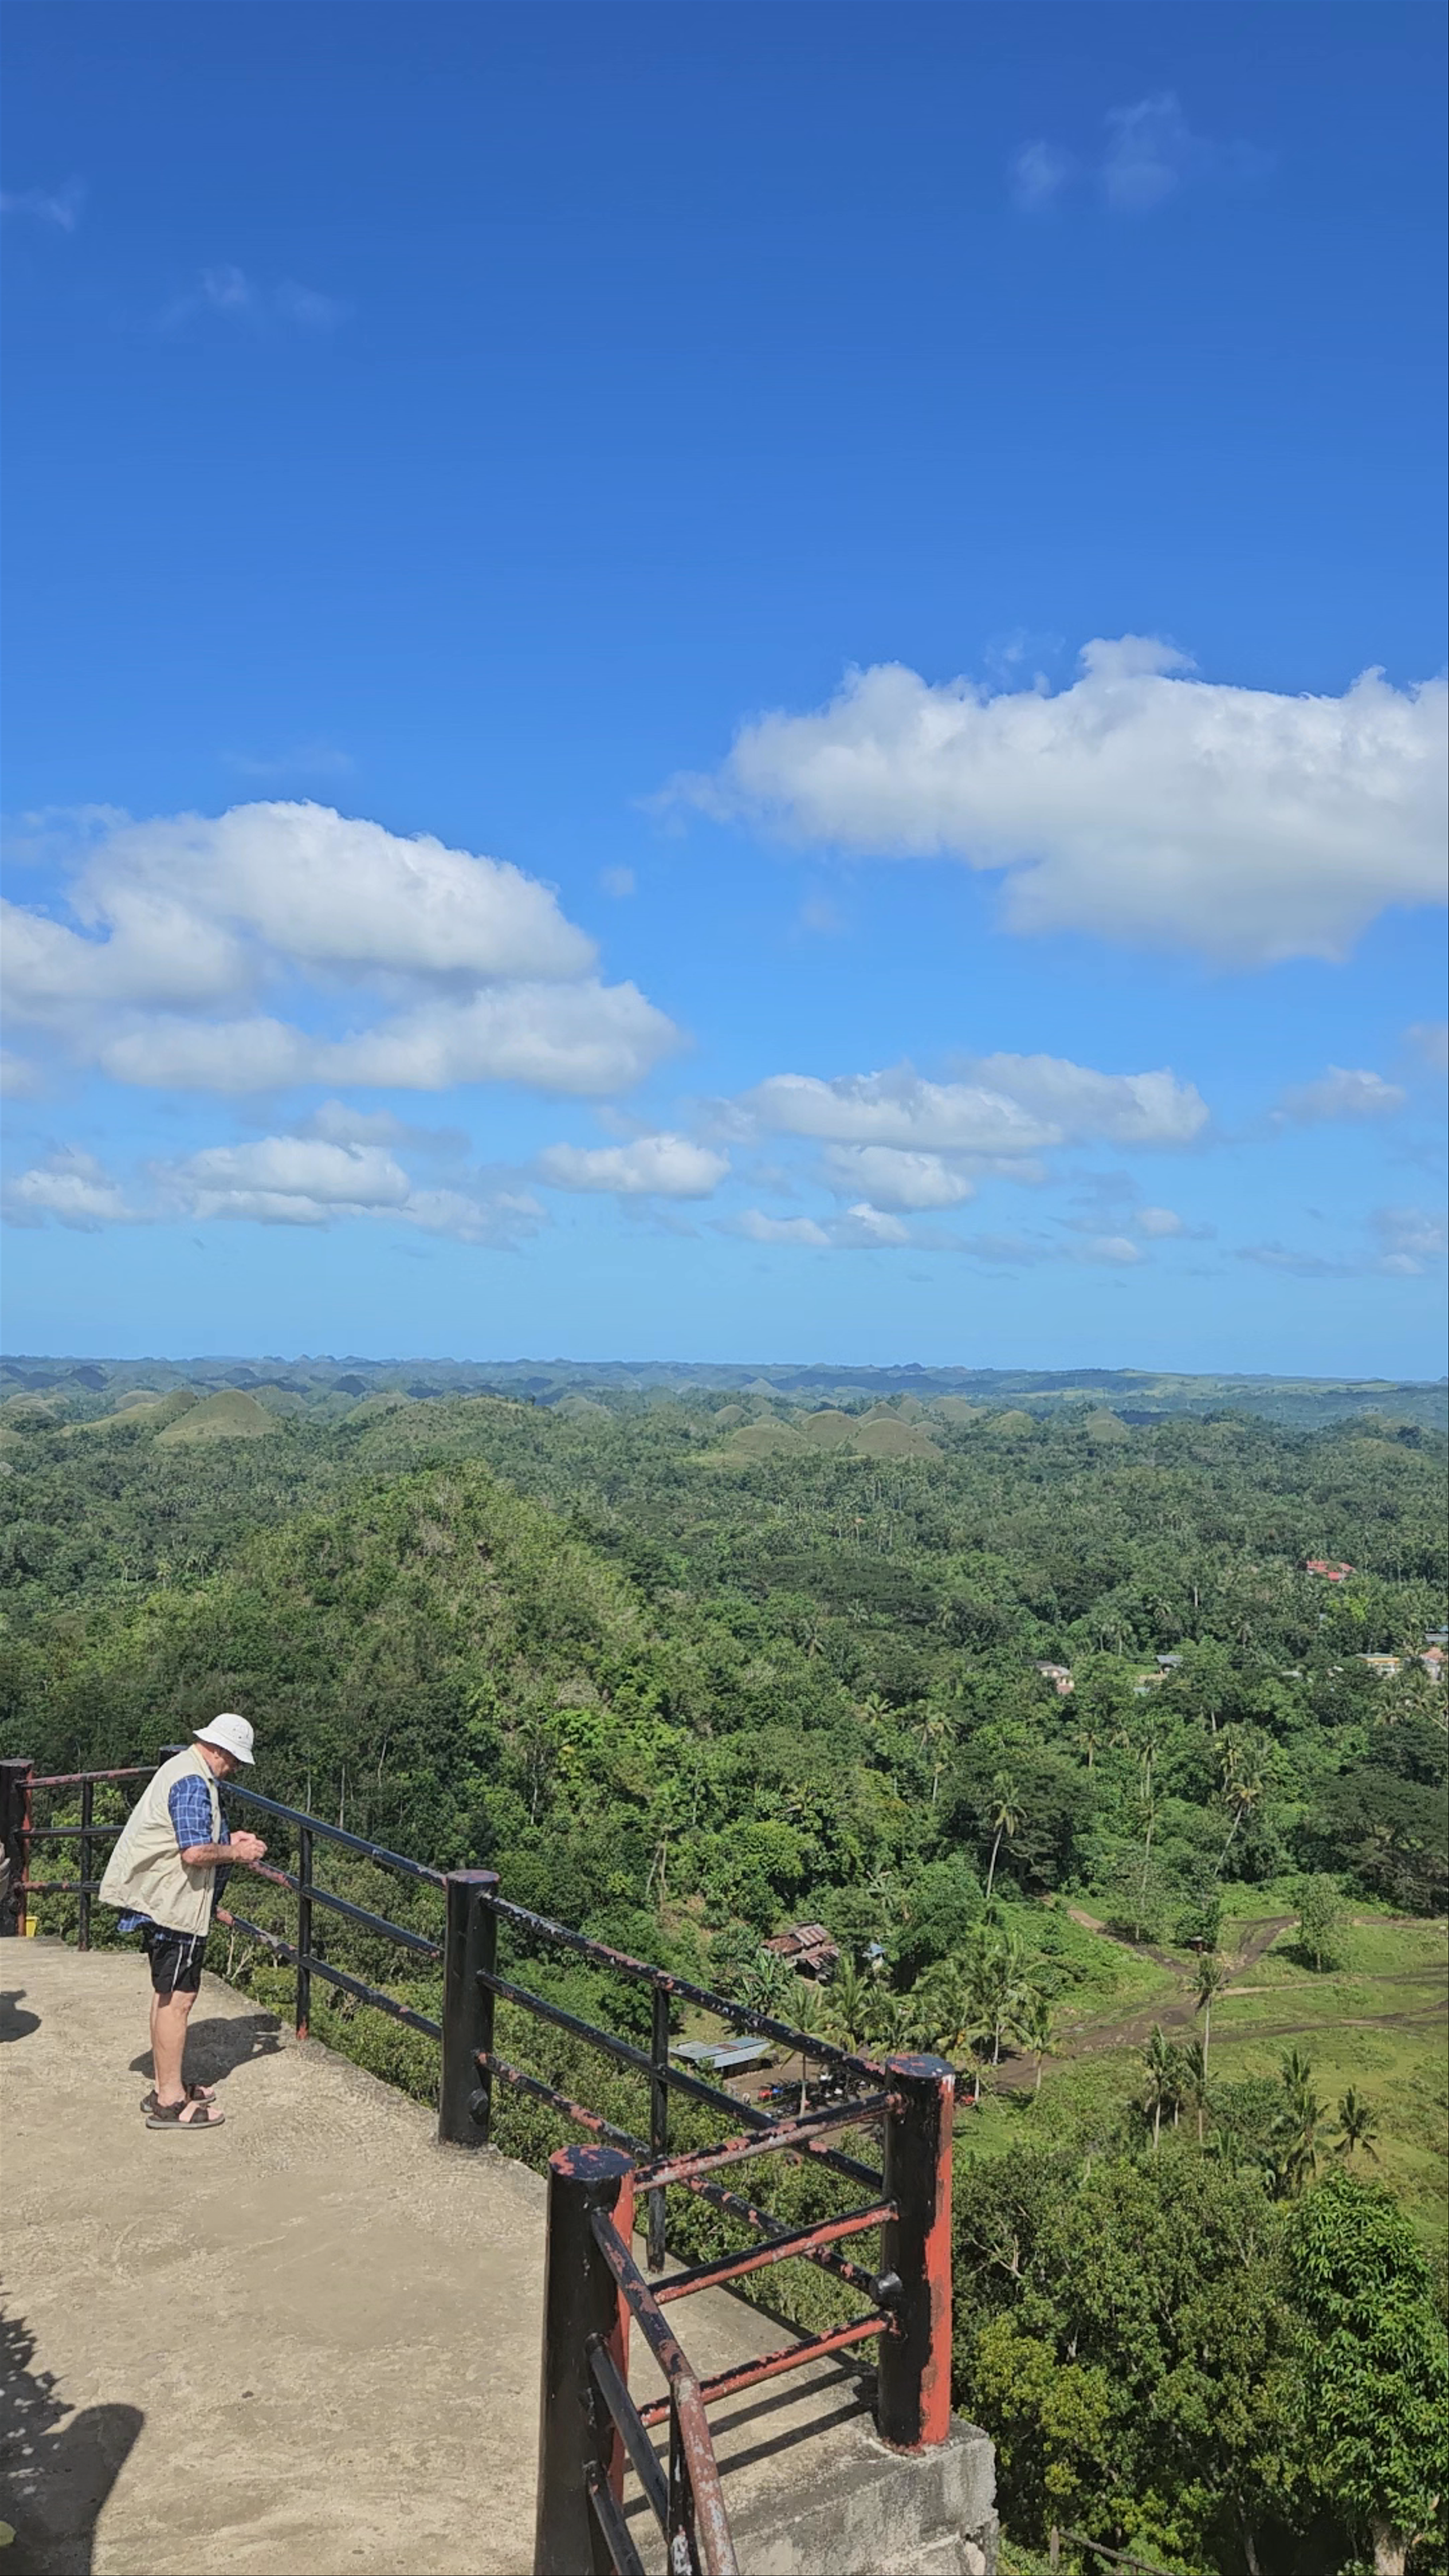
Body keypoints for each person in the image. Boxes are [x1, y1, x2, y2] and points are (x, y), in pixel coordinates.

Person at [98, 1717, 268, 2130]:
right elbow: (193, 1852)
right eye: (236, 1761)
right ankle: (171, 2101)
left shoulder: (182, 1768)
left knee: (166, 1994)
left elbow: (190, 1832)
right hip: (177, 1904)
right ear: (220, 1750)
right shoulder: (193, 1781)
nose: (235, 1769)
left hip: (165, 1900)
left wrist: (229, 1837)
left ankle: (165, 2084)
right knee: (179, 1998)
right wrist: (238, 1854)